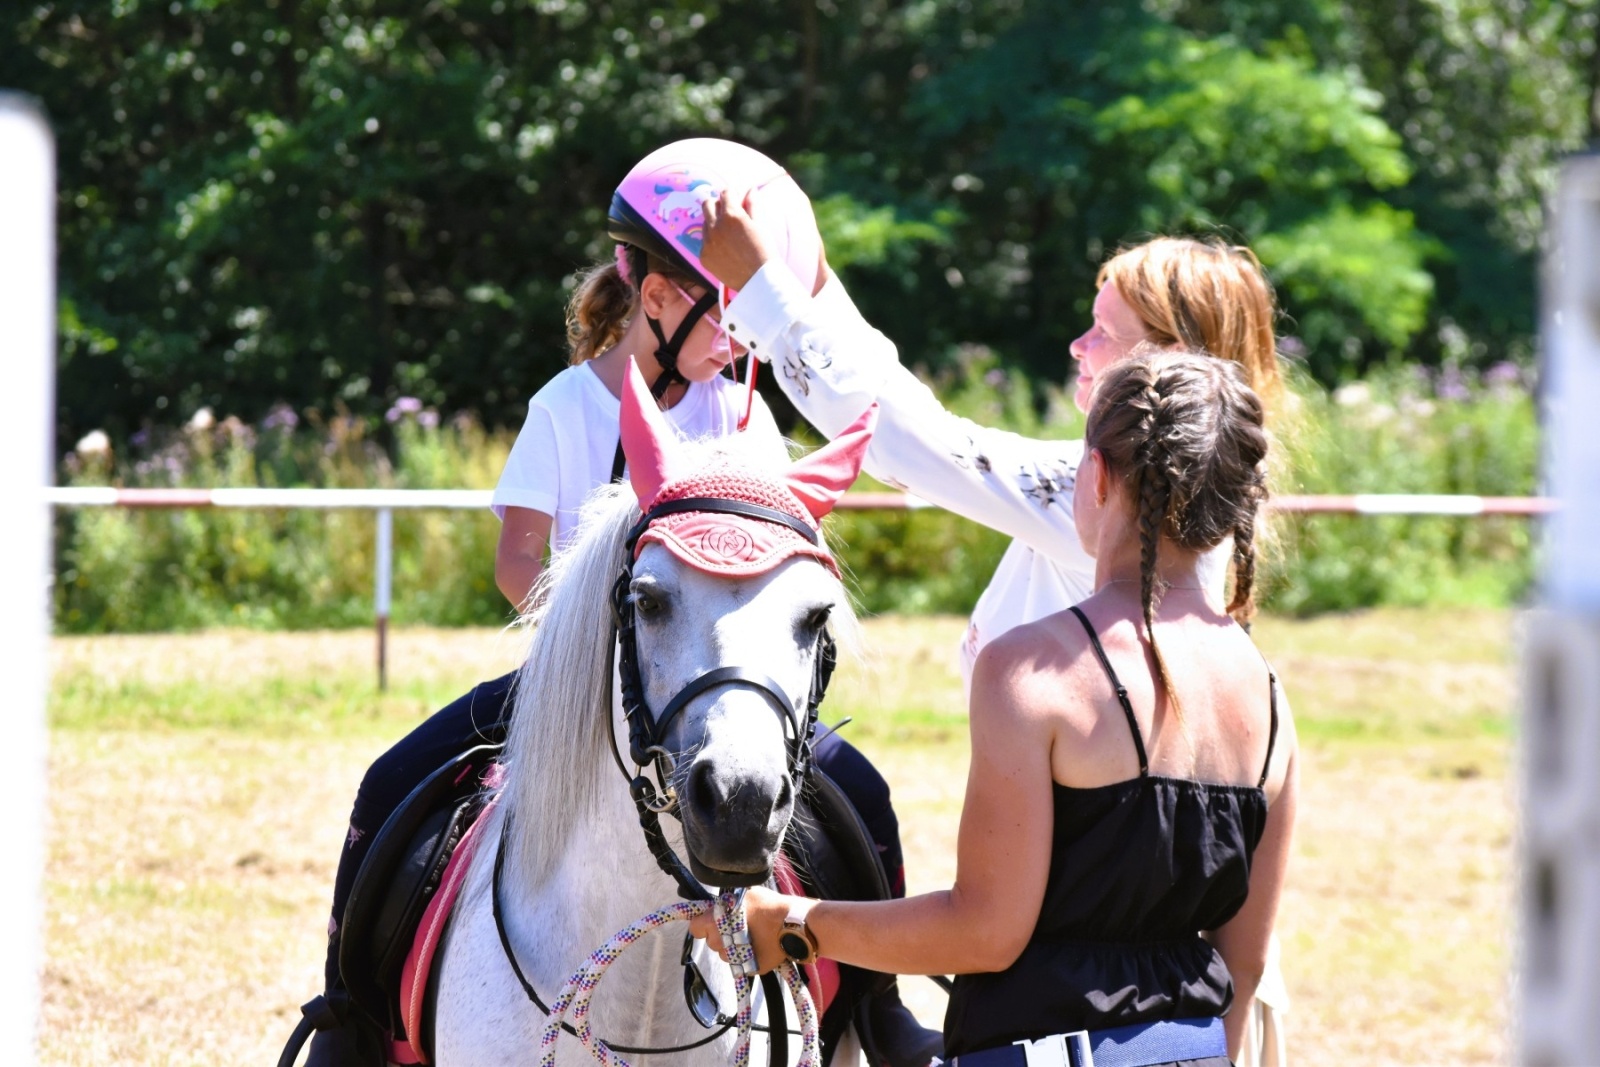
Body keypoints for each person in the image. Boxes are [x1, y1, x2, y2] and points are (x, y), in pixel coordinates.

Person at [305, 139, 940, 1067]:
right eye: (728, 304)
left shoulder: (747, 418)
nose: (744, 332)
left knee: (863, 795)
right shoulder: (565, 408)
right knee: (391, 782)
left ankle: (877, 1006)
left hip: (712, 682)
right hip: (574, 682)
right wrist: (594, 633)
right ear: (658, 296)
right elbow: (517, 559)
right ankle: (350, 1020)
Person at [704, 203, 1295, 1063]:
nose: (1078, 348)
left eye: (1103, 332)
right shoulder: (1267, 694)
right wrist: (815, 289)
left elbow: (917, 440)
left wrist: (789, 924)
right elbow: (1243, 958)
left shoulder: (1052, 611)